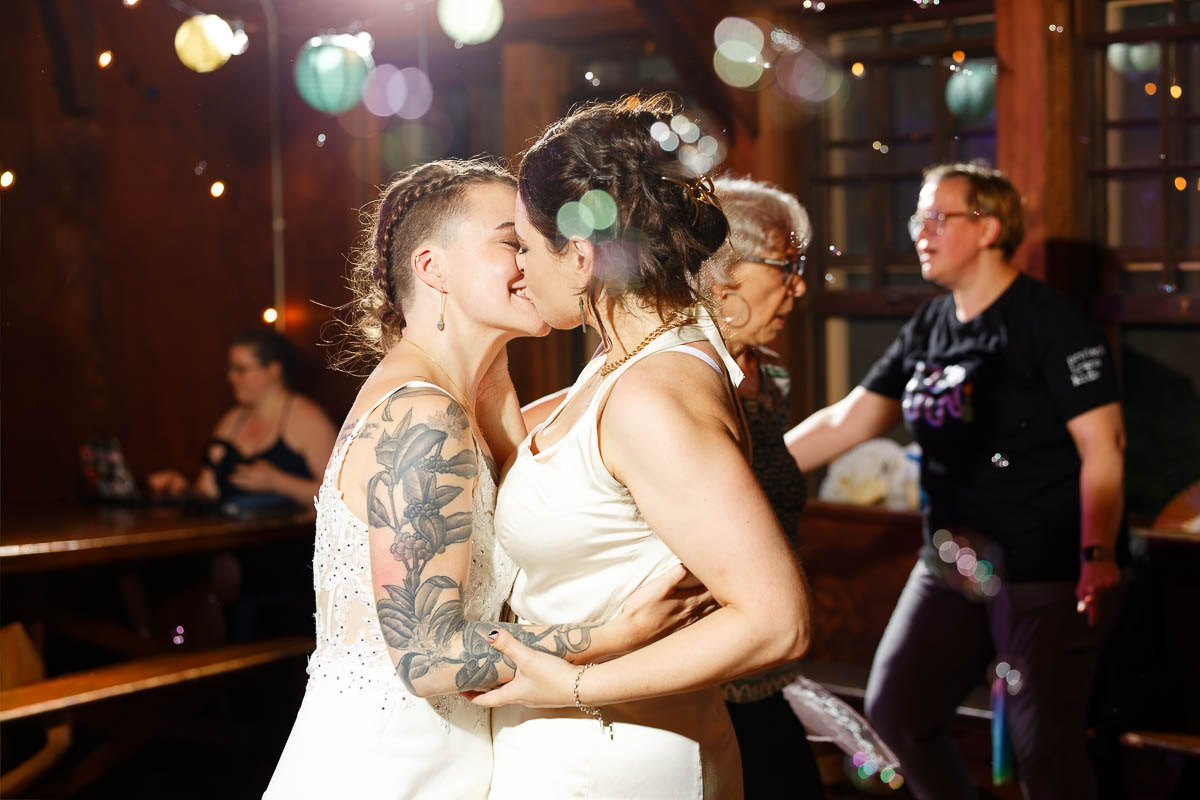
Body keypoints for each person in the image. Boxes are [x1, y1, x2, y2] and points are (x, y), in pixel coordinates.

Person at [264, 158, 714, 800]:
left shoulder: (459, 399)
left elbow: (545, 447)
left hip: (447, 749)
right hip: (392, 763)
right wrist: (624, 635)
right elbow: (427, 656)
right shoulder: (421, 416)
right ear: (432, 268)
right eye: (512, 242)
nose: (534, 262)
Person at [472, 95, 813, 800]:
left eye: (527, 247)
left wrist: (574, 683)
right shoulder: (625, 362)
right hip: (577, 747)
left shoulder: (651, 396)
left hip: (619, 759)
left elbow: (778, 620)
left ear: (581, 256)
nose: (521, 271)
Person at [783, 162, 1126, 800]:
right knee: (897, 715)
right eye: (919, 218)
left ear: (990, 227)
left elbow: (1103, 445)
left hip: (1042, 568)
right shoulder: (931, 324)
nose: (922, 231)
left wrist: (1097, 552)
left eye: (939, 217)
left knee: (1039, 752)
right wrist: (752, 464)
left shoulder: (1047, 320)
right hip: (950, 561)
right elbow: (850, 419)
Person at [709, 175, 825, 799]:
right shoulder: (686, 384)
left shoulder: (768, 379)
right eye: (787, 265)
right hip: (710, 681)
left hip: (765, 670)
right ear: (725, 272)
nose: (799, 284)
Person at [148, 329, 336, 513]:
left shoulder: (307, 418)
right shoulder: (232, 420)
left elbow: (339, 496)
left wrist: (280, 483)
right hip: (232, 539)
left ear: (273, 370)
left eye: (241, 369)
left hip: (289, 541)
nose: (231, 377)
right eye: (230, 369)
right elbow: (208, 492)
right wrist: (182, 489)